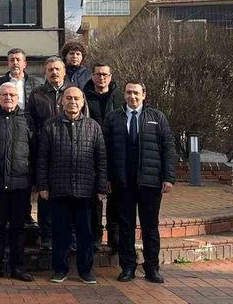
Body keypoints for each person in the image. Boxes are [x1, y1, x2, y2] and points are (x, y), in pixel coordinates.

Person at [104, 81, 176, 284]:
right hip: (123, 183)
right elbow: (105, 152)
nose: (132, 96)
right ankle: (127, 267)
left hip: (150, 182)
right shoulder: (113, 118)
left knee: (150, 227)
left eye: (136, 93)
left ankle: (152, 267)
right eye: (128, 92)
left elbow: (168, 148)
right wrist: (107, 178)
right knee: (125, 226)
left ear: (144, 94)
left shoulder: (157, 117)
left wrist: (168, 178)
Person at [37, 87, 106, 285]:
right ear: (62, 102)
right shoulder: (50, 126)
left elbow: (101, 159)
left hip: (86, 191)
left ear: (83, 102)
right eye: (68, 98)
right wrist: (42, 185)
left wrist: (101, 187)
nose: (72, 102)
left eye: (76, 98)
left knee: (85, 233)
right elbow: (42, 159)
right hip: (58, 190)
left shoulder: (94, 127)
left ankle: (86, 271)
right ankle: (60, 269)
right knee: (60, 233)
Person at [0, 83, 34, 282]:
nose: (8, 97)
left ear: (17, 96)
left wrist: (34, 180)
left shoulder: (27, 119)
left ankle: (18, 267)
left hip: (21, 183)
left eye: (12, 94)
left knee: (18, 227)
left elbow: (34, 151)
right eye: (4, 94)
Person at [26, 56, 74, 249]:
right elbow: (31, 122)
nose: (54, 73)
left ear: (64, 72)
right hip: (44, 151)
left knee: (68, 195)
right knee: (44, 194)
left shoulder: (73, 91)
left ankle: (69, 236)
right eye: (50, 70)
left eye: (57, 69)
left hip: (69, 151)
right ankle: (46, 235)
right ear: (45, 73)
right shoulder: (37, 94)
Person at [83, 63, 125, 250]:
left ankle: (114, 236)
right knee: (95, 196)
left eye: (105, 74)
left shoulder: (118, 96)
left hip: (115, 149)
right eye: (98, 74)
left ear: (110, 76)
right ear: (92, 76)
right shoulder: (85, 94)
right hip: (91, 148)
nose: (101, 78)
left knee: (115, 196)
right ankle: (95, 235)